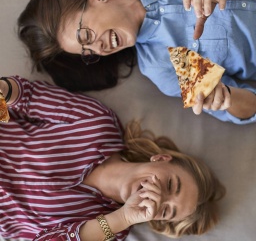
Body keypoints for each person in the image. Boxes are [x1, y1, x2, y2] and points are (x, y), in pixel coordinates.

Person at [0, 76, 224, 241]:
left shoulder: (110, 231)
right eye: (169, 184)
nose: (157, 197)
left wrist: (123, 218)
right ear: (161, 158)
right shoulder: (98, 123)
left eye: (165, 210)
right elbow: (24, 96)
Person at [17, 0, 256, 125]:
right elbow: (251, 107)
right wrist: (227, 97)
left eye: (86, 37)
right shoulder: (164, 65)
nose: (99, 49)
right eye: (88, 52)